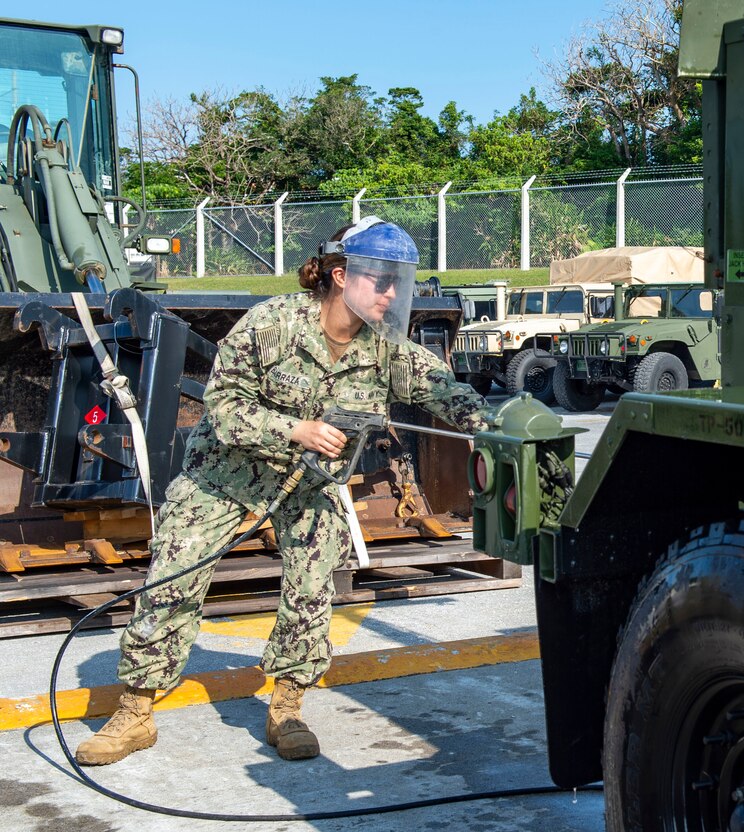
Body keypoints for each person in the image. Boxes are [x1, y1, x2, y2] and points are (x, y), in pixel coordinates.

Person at [76, 219, 495, 765]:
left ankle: (287, 706)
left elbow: (446, 392)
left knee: (313, 584)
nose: (392, 294)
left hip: (309, 485)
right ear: (341, 276)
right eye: (381, 281)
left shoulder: (388, 348)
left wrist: (496, 425)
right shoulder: (271, 324)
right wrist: (293, 429)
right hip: (223, 476)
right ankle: (134, 712)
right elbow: (222, 407)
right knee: (172, 582)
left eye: (398, 282)